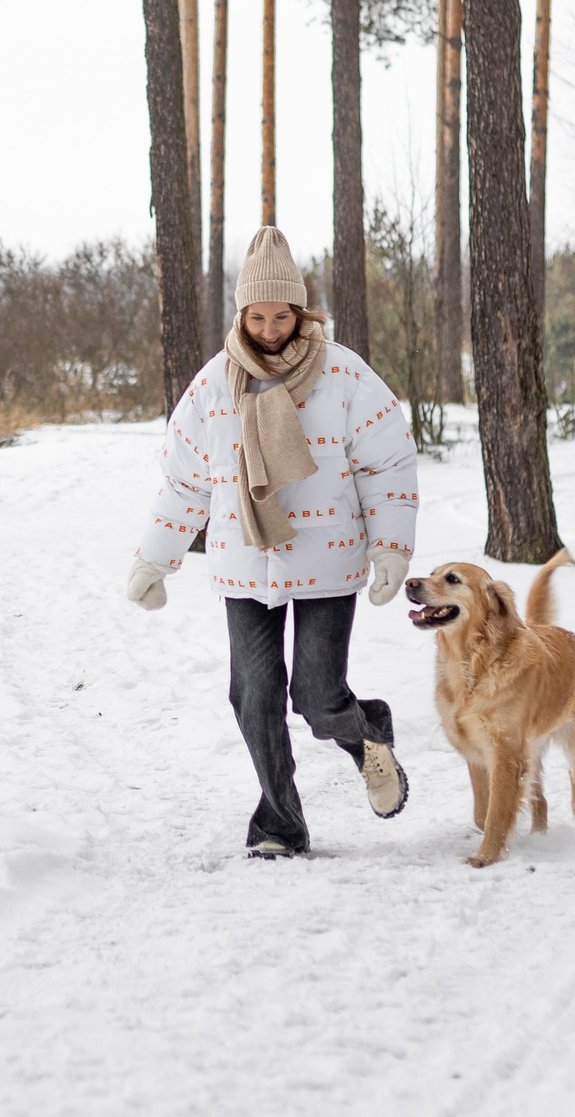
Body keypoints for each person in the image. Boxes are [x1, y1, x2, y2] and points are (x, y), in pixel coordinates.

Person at [126, 226, 420, 858]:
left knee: (316, 696)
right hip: (244, 562)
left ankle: (368, 735)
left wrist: (391, 548)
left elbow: (387, 465)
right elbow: (185, 481)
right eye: (255, 316)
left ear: (300, 311)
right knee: (254, 696)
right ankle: (280, 822)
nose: (267, 328)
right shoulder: (212, 387)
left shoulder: (344, 375)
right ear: (241, 314)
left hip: (328, 558)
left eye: (280, 315)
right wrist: (155, 560)